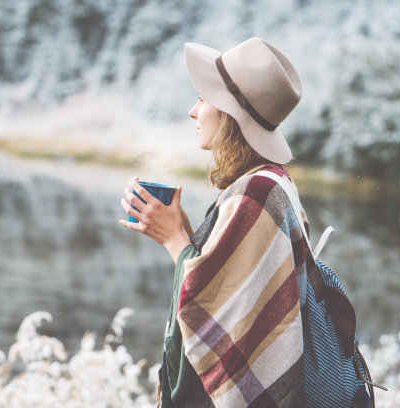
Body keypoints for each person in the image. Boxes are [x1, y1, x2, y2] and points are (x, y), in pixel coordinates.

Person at [119, 38, 373, 408]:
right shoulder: (272, 181)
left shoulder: (255, 193)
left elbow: (218, 312)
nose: (193, 111)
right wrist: (192, 237)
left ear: (229, 114)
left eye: (203, 99)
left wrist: (174, 239)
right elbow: (237, 290)